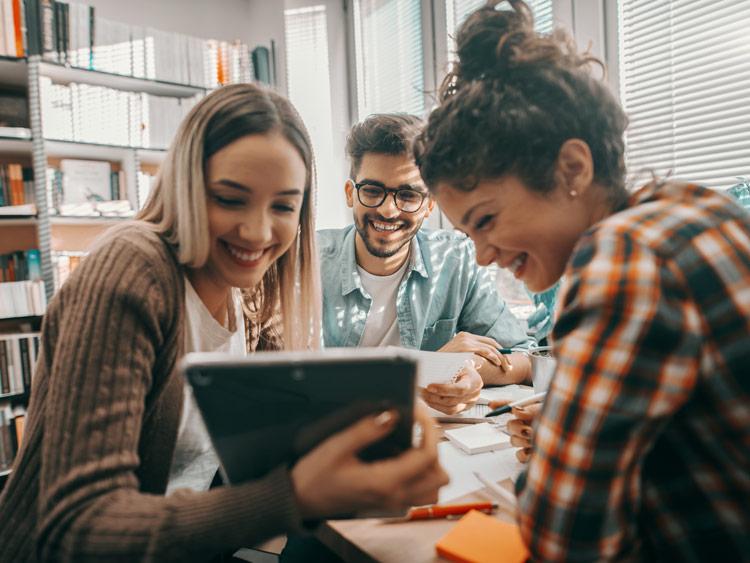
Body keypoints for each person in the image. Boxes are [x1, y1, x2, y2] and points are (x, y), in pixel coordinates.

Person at [0, 84, 448, 562]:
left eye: (282, 206)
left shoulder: (254, 288)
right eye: (231, 200)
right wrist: (293, 497)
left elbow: (276, 442)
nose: (258, 232)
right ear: (186, 188)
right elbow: (79, 528)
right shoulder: (132, 270)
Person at [415, 0, 750, 560]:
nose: (484, 256)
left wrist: (557, 450)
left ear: (572, 168)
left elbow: (563, 539)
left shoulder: (625, 256)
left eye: (486, 221)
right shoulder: (695, 210)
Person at [318, 113, 533, 415]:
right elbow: (293, 383)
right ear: (350, 194)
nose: (389, 210)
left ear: (429, 204)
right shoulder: (307, 264)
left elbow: (522, 357)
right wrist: (427, 368)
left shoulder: (455, 259)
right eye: (372, 191)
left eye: (407, 195)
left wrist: (466, 369)